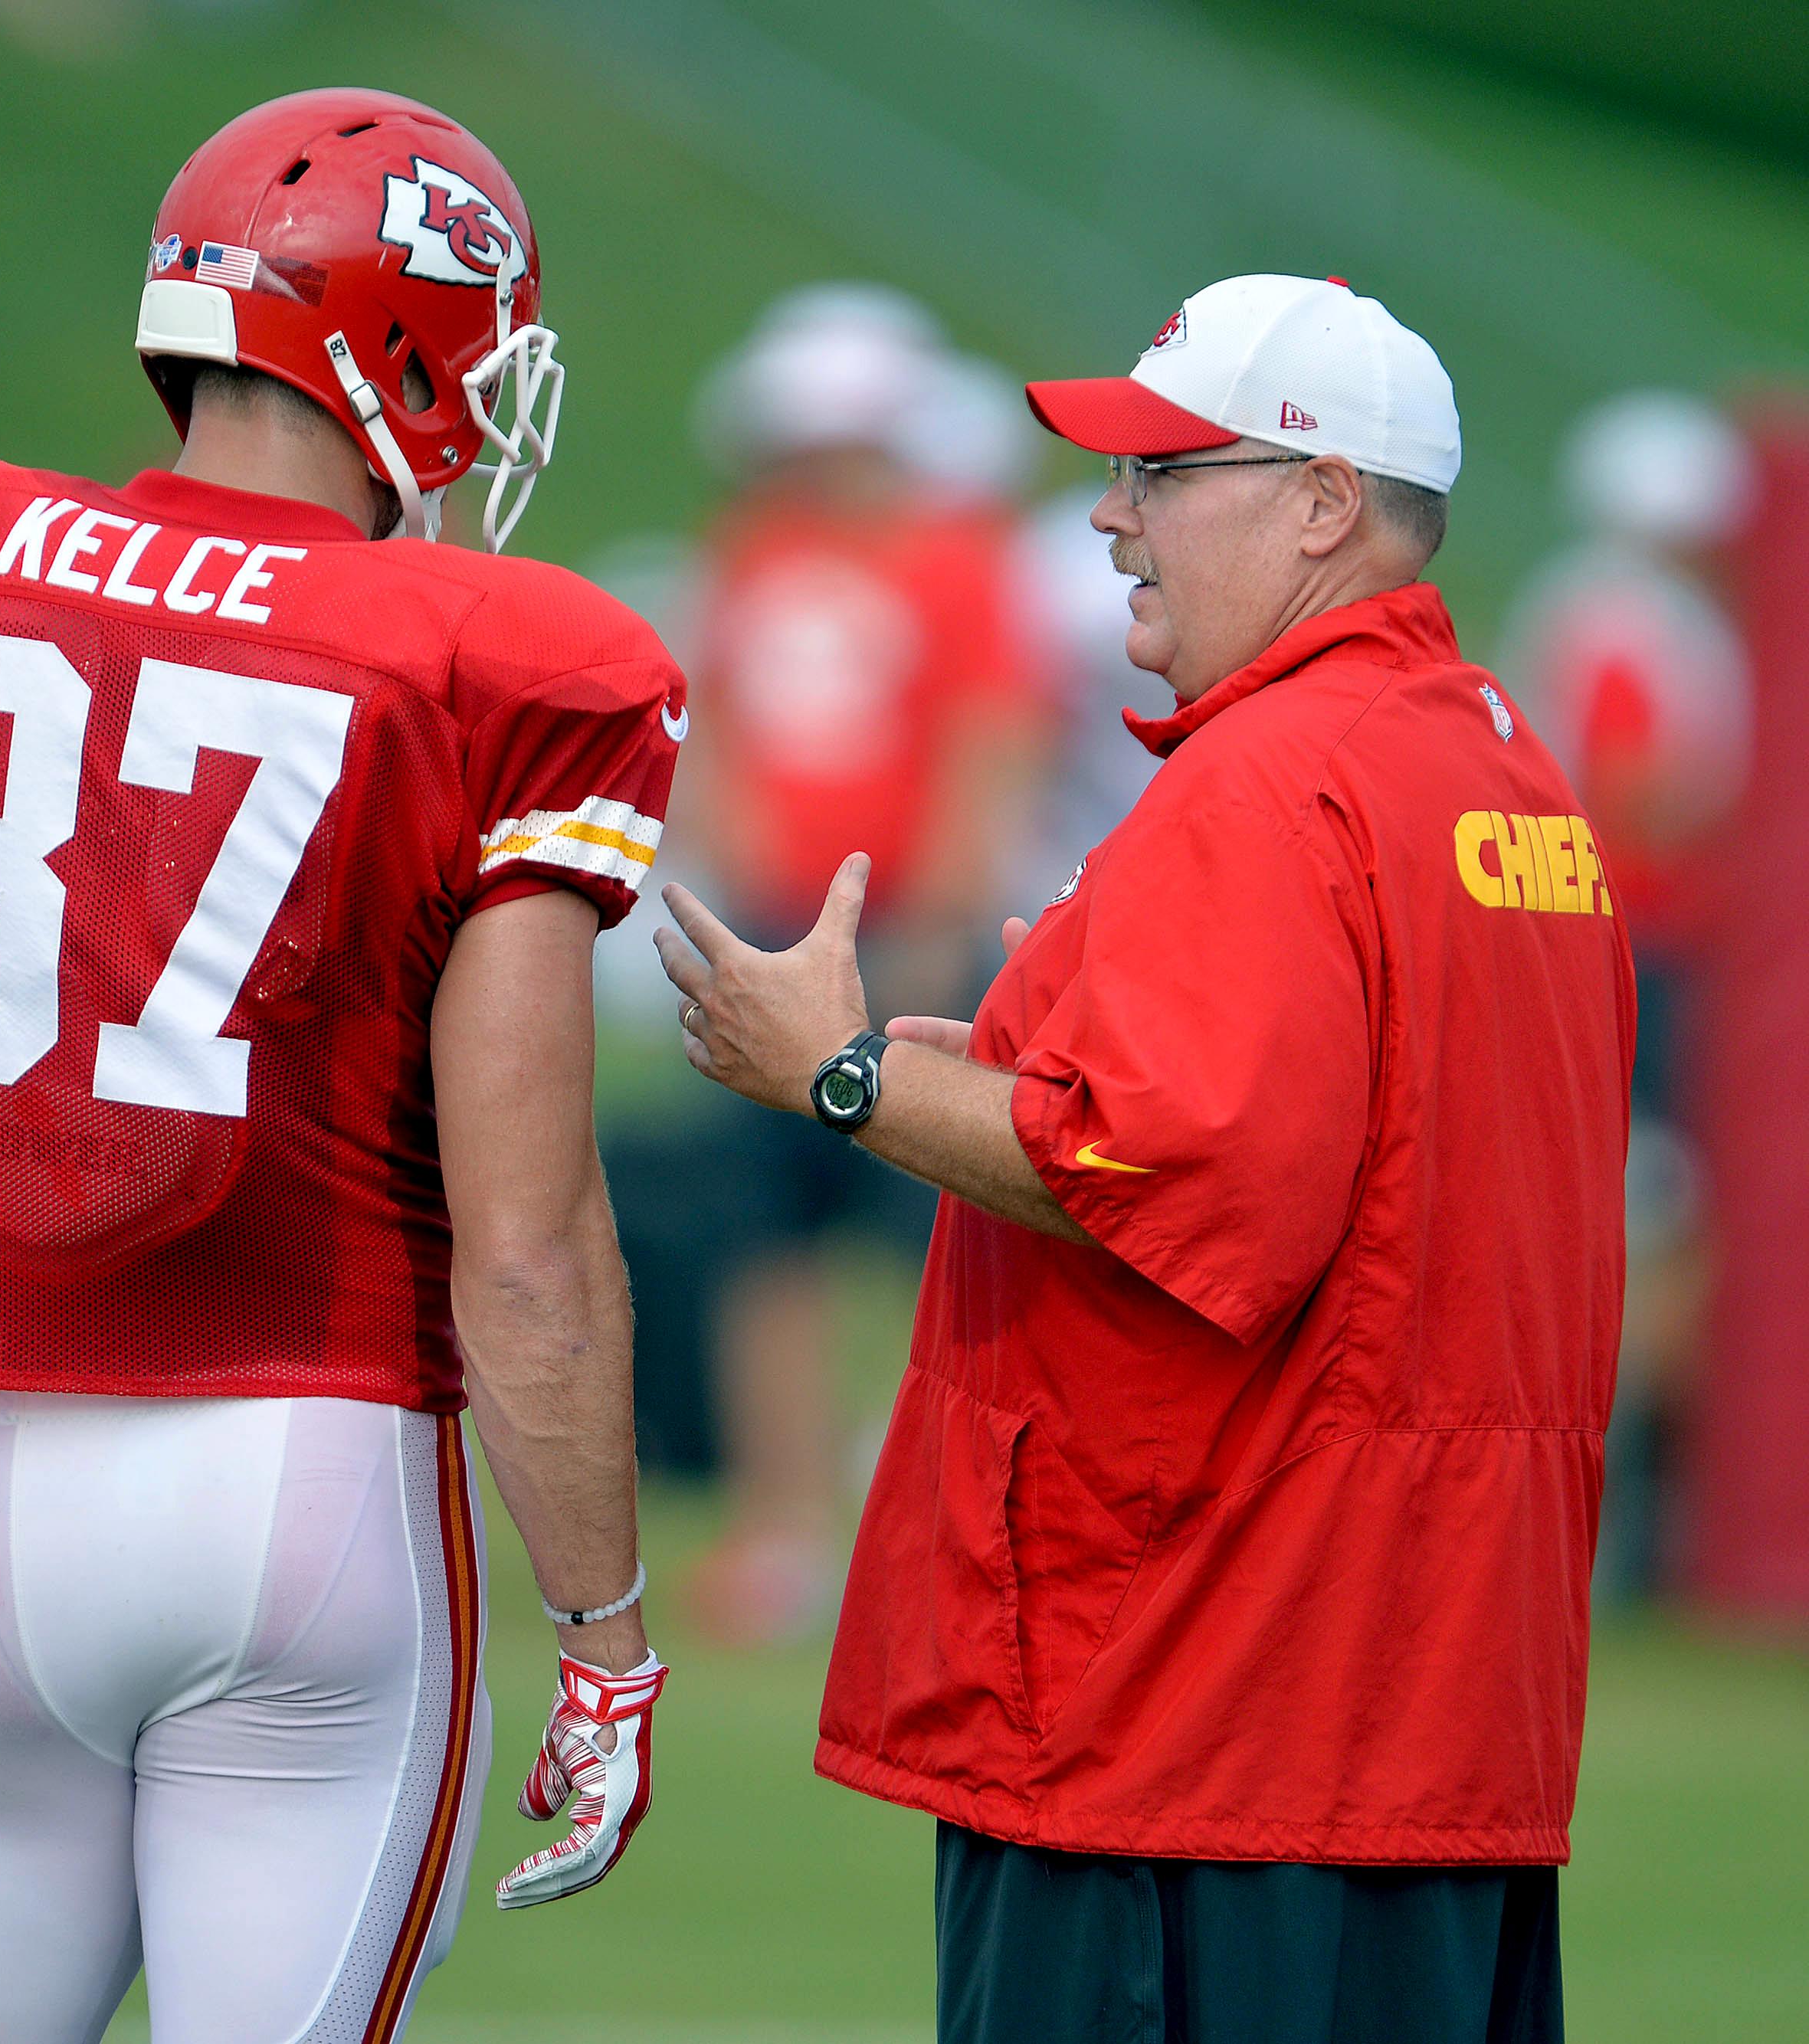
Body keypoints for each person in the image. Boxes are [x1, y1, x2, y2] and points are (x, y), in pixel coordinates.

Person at [0, 89, 680, 2042]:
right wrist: (606, 1637)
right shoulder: (496, 656)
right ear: (418, 348)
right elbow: (528, 1246)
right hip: (312, 1489)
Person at [658, 274, 1632, 2043]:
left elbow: (1179, 1176)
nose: (1111, 513)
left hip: (1202, 1715)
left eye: (1167, 470)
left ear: (1324, 502)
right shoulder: (1505, 776)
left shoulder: (1273, 779)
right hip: (1436, 1703)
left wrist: (844, 1072)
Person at [660, 287, 1050, 1643]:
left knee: (933, 1237)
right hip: (780, 922)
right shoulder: (752, 551)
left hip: (902, 934)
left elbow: (989, 739)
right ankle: (785, 1527)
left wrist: (937, 916)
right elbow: (710, 733)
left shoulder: (956, 557)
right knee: (767, 1241)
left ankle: (925, 1517)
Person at [1501, 391, 1753, 1603]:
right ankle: (1616, 1512)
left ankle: (1624, 1506)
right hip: (1635, 952)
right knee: (1644, 1220)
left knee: (1655, 1220)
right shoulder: (1621, 621)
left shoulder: (1632, 616)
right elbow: (1632, 796)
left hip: (1637, 951)